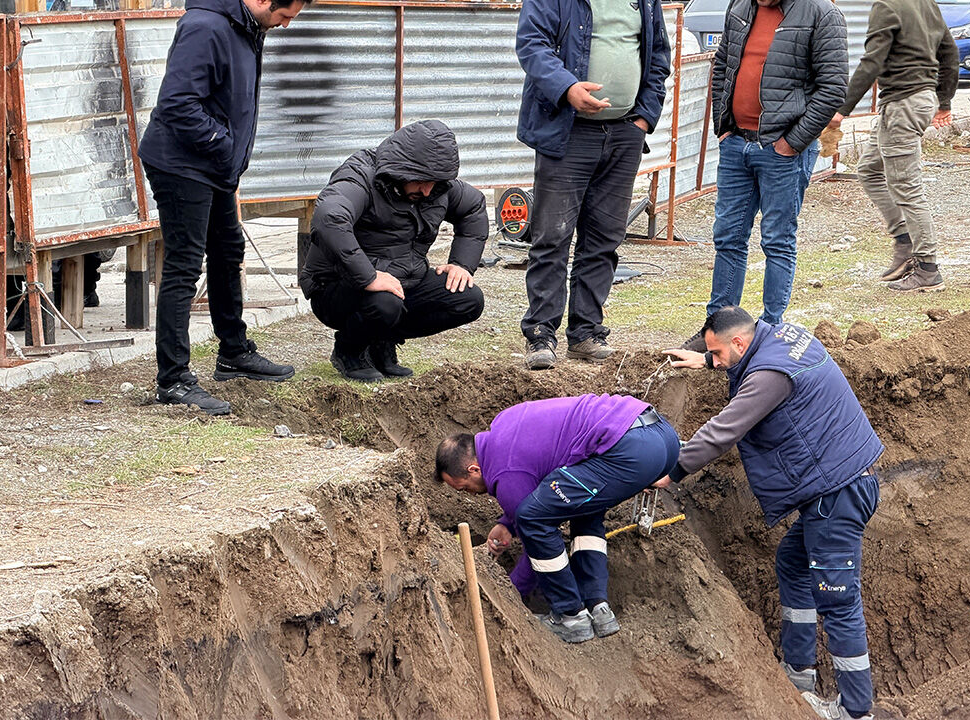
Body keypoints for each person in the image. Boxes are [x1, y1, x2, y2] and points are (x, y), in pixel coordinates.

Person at [662, 306, 884, 720]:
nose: (717, 360)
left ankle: (856, 711)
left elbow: (725, 429)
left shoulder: (767, 378)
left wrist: (671, 471)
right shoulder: (785, 337)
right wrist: (709, 359)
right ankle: (798, 676)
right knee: (793, 563)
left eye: (719, 353)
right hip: (846, 481)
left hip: (836, 493)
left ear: (740, 343)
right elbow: (745, 357)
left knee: (838, 599)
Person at [137, 0, 310, 416]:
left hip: (213, 167)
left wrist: (230, 160)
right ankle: (173, 380)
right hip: (182, 165)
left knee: (229, 249)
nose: (284, 26)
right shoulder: (206, 26)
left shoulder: (247, 27)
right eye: (285, 16)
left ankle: (233, 352)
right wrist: (224, 144)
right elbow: (178, 103)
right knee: (183, 265)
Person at [434, 394, 680, 643]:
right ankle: (598, 607)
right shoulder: (504, 425)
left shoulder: (506, 474)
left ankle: (570, 615)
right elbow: (538, 471)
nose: (470, 494)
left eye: (464, 487)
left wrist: (509, 595)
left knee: (533, 520)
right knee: (583, 505)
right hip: (660, 436)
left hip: (629, 449)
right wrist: (507, 523)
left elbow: (535, 535)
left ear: (474, 469)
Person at [514, 0, 672, 370]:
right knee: (552, 235)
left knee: (604, 237)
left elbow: (658, 55)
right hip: (567, 131)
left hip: (624, 133)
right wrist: (567, 88)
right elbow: (531, 44)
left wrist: (644, 118)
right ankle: (541, 334)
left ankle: (585, 332)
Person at [682, 0, 848, 351]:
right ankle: (718, 330)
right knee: (728, 237)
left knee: (777, 240)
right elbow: (723, 66)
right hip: (736, 143)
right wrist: (723, 127)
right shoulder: (740, 7)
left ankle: (771, 332)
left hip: (782, 150)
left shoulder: (822, 14)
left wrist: (791, 143)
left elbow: (832, 87)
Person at [299, 120, 487, 382]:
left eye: (434, 182)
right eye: (421, 181)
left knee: (467, 299)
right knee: (385, 303)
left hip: (401, 281)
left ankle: (381, 342)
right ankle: (349, 351)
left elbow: (473, 207)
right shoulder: (361, 176)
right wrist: (369, 276)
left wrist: (462, 263)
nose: (427, 190)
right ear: (402, 168)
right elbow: (329, 217)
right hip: (337, 286)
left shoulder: (437, 187)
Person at [829, 0, 958, 292]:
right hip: (910, 101)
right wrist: (944, 101)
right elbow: (949, 52)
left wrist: (843, 108)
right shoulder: (927, 4)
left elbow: (872, 61)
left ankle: (927, 267)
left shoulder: (886, 6)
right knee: (870, 169)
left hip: (903, 104)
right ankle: (904, 238)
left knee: (907, 186)